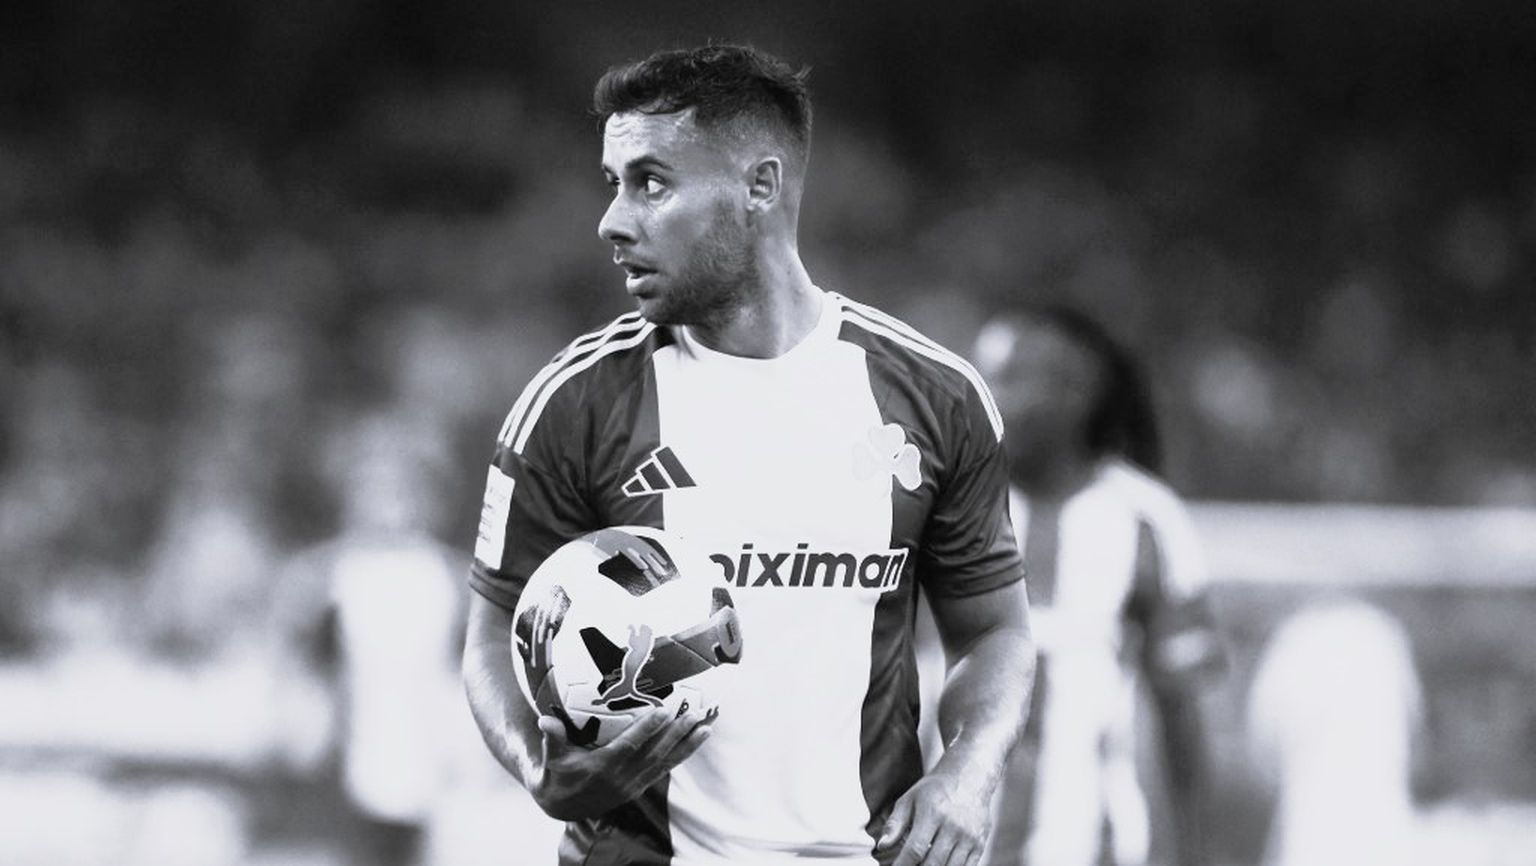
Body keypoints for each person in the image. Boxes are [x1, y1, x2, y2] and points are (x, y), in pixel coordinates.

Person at [461, 44, 1035, 866]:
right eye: (614, 183)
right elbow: (492, 629)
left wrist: (969, 772)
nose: (613, 220)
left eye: (651, 183)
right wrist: (538, 767)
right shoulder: (574, 402)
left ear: (760, 187)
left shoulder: (935, 397)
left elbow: (995, 632)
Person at [916, 307, 1223, 866]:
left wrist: (1195, 853)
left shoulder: (1146, 519)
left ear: (1075, 396)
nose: (983, 398)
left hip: (1092, 846)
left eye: (1009, 378)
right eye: (980, 376)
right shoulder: (938, 504)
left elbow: (1181, 713)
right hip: (943, 848)